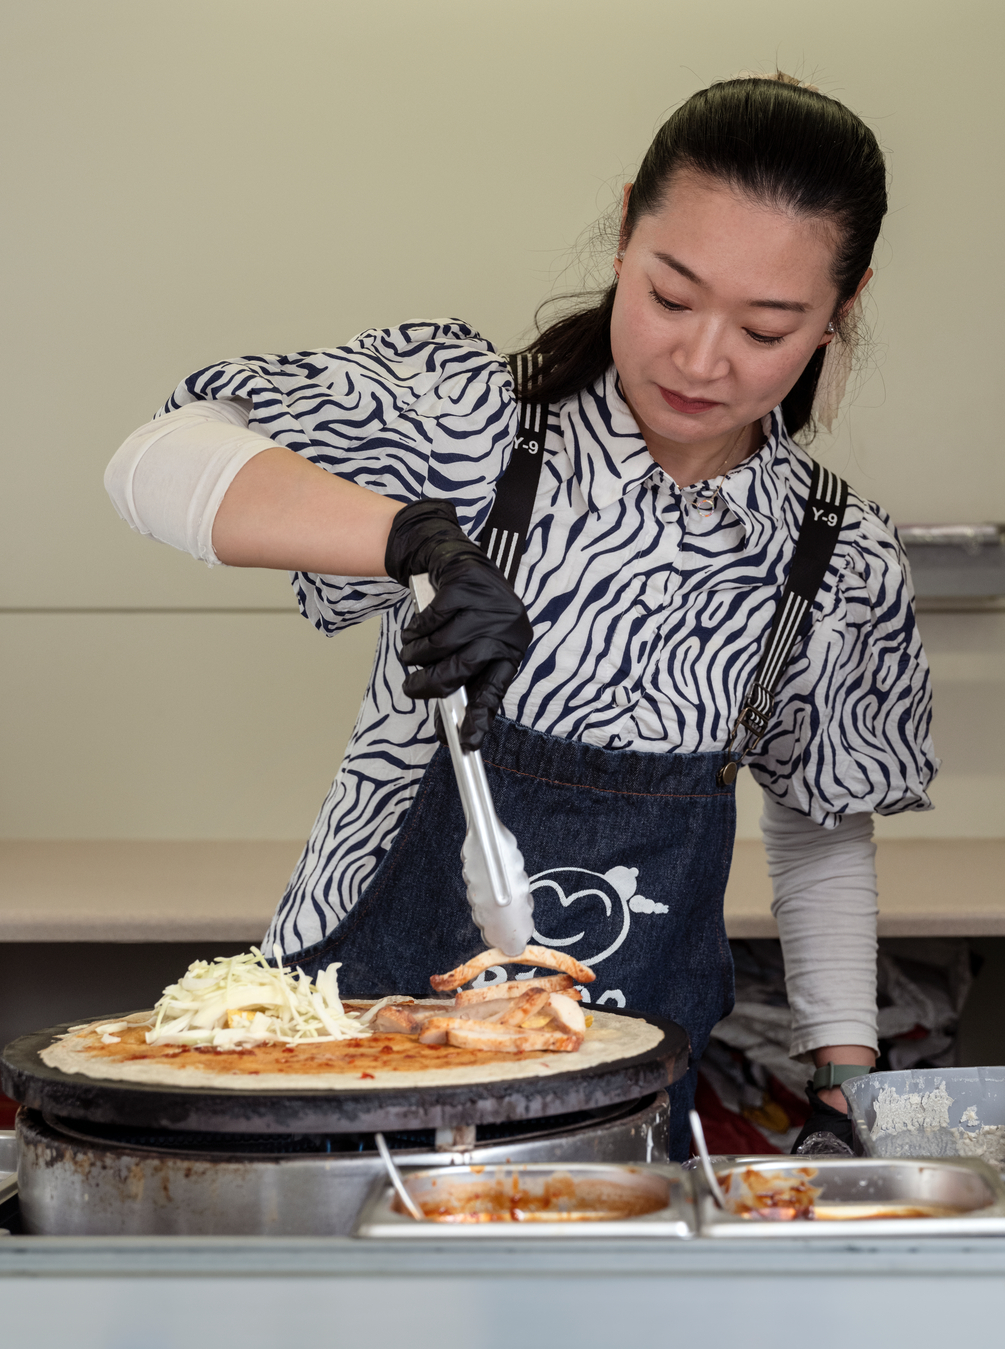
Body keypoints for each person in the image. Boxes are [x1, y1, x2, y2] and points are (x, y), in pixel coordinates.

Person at [105, 73, 937, 1159]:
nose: (700, 358)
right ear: (626, 230)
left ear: (843, 306)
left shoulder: (834, 556)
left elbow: (823, 828)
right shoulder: (473, 428)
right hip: (338, 1071)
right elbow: (152, 461)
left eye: (767, 326)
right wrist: (408, 540)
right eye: (672, 297)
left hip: (616, 1123)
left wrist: (843, 1075)